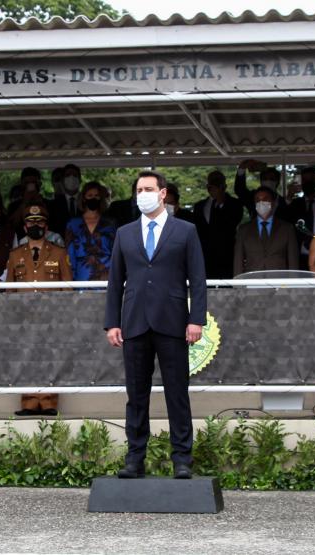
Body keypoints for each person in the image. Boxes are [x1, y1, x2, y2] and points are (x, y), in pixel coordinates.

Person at [104, 170, 206, 480]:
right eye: (138, 190)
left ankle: (182, 458)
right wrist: (112, 323)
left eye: (148, 188)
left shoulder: (185, 231)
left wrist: (196, 319)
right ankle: (135, 458)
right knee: (136, 394)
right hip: (134, 323)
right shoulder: (125, 233)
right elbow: (115, 281)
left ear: (163, 193)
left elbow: (198, 279)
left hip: (173, 322)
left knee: (177, 392)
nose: (143, 194)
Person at [7, 205, 72, 416]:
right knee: (26, 357)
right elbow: (9, 289)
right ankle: (29, 401)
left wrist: (63, 313)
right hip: (23, 317)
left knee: (49, 356)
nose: (36, 226)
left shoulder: (59, 252)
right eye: (31, 222)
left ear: (46, 226)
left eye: (40, 222)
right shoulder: (15, 255)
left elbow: (67, 286)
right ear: (25, 227)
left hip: (51, 316)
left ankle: (48, 402)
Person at [233, 187, 297, 275]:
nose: (261, 202)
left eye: (265, 199)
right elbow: (238, 262)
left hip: (280, 283)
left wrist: (293, 286)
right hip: (252, 283)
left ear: (273, 203)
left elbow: (293, 261)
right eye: (257, 200)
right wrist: (238, 286)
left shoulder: (287, 228)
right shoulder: (243, 229)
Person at [193, 170, 244, 279]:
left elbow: (232, 223)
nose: (214, 186)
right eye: (212, 183)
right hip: (205, 257)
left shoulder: (234, 204)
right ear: (207, 186)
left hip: (227, 256)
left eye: (218, 183)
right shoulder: (199, 206)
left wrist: (221, 202)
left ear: (224, 186)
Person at [65, 181, 116, 281]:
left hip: (106, 274)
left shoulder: (111, 223)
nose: (93, 198)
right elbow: (70, 253)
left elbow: (116, 252)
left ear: (101, 198)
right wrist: (72, 277)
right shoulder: (73, 224)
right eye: (90, 195)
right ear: (84, 198)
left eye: (96, 195)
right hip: (81, 274)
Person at [290, 166, 315, 268]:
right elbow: (281, 219)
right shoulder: (294, 205)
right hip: (298, 257)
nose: (308, 183)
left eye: (312, 179)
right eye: (305, 180)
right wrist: (289, 195)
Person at [48, 164, 82, 234]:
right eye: (68, 175)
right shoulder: (53, 205)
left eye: (75, 175)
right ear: (63, 181)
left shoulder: (87, 201)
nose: (71, 178)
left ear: (80, 180)